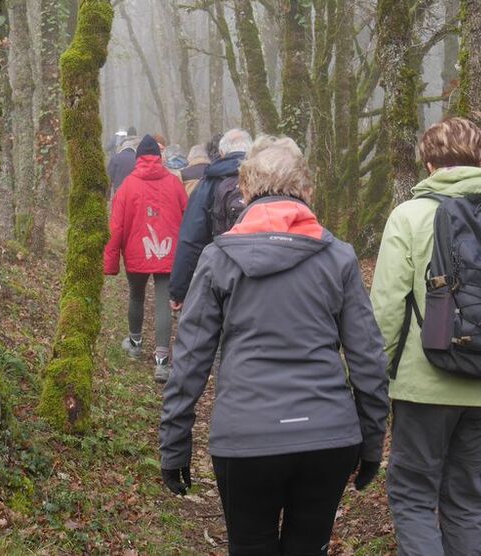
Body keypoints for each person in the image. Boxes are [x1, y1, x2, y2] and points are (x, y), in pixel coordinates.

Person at [159, 135, 389, 555]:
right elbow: (368, 359)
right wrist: (371, 442)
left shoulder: (218, 258)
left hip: (247, 436)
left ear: (245, 189)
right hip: (327, 434)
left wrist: (175, 445)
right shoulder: (337, 257)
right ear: (306, 190)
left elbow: (190, 361)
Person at [371, 117, 481, 556]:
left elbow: (387, 307)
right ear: (480, 159)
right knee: (466, 496)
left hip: (424, 385)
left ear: (428, 164)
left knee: (414, 493)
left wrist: (375, 376)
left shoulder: (410, 216)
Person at [104, 135, 189, 382]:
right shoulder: (174, 184)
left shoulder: (128, 186)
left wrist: (110, 262)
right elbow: (187, 218)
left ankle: (135, 343)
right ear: (159, 157)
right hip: (168, 251)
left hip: (136, 251)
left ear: (138, 158)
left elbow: (115, 227)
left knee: (136, 295)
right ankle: (162, 362)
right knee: (163, 302)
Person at [168, 128, 252, 309]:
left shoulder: (209, 184)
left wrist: (179, 290)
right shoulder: (267, 180)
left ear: (221, 152)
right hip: (259, 278)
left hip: (219, 274)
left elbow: (191, 239)